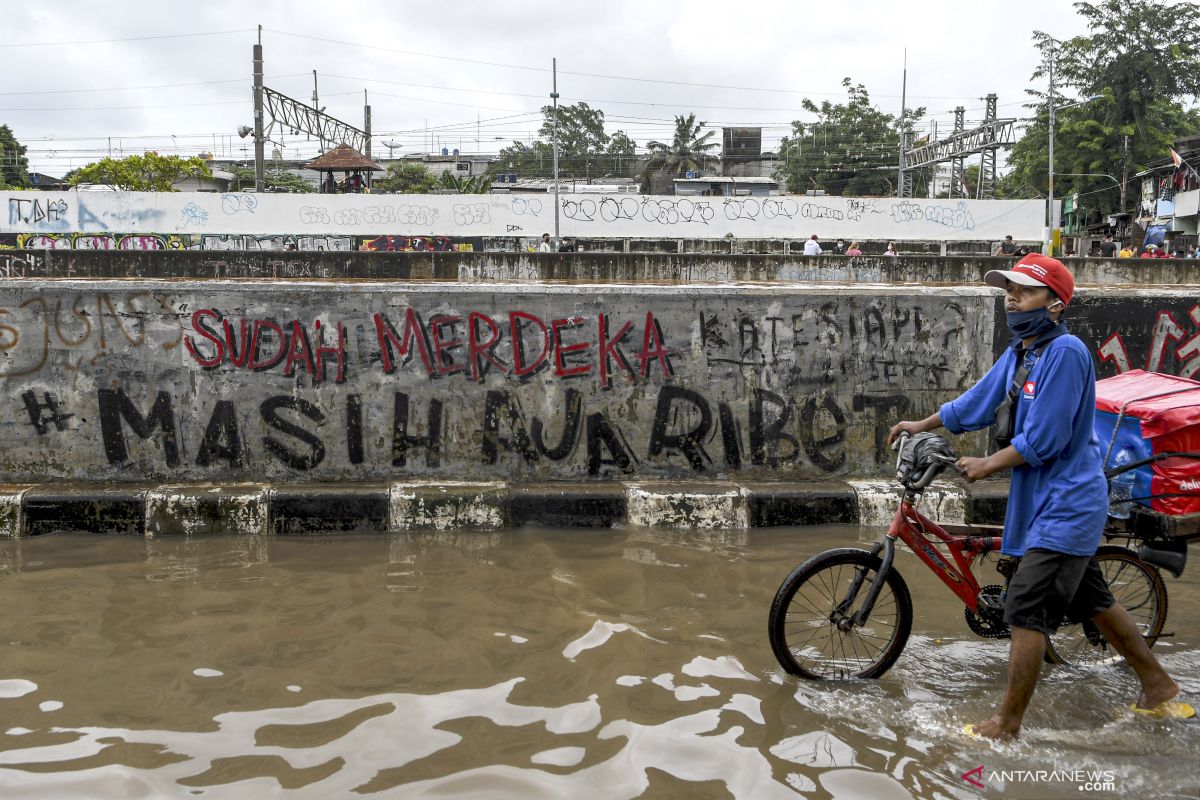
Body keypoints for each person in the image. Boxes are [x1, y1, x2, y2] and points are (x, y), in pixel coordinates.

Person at [886, 253, 1190, 740]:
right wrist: (921, 424)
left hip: (1069, 503)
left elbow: (1046, 438)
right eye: (1009, 290)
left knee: (1025, 608)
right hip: (1041, 502)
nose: (1012, 298)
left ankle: (1006, 724)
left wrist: (987, 465)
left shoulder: (1065, 353)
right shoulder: (1022, 352)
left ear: (1054, 304)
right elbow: (978, 401)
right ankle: (1159, 686)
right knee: (1094, 601)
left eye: (1024, 291)